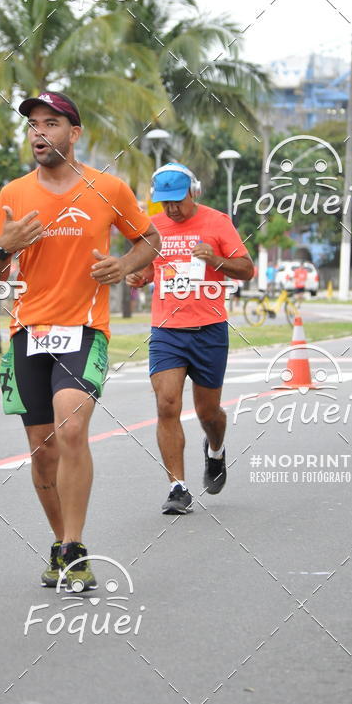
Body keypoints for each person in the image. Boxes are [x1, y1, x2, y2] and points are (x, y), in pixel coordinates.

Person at [0, 91, 160, 590]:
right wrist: (2, 247)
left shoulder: (109, 189)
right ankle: (61, 545)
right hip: (26, 334)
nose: (39, 133)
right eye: (33, 125)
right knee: (42, 451)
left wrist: (123, 266)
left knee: (72, 429)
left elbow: (150, 239)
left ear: (74, 133)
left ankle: (76, 546)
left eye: (51, 123)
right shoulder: (14, 194)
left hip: (84, 330)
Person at [127, 162, 254, 514]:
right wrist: (139, 277)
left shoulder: (217, 222)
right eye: (164, 202)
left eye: (177, 201)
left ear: (193, 193)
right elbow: (148, 268)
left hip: (210, 330)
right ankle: (177, 487)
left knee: (207, 412)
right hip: (167, 331)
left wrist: (214, 258)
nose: (171, 208)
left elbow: (247, 268)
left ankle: (215, 451)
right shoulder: (153, 228)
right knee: (167, 403)